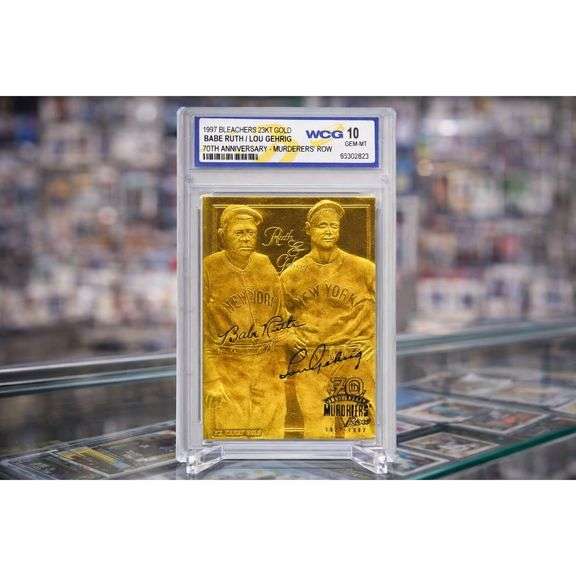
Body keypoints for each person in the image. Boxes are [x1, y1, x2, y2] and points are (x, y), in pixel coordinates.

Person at [280, 199, 376, 439]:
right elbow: (276, 315)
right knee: (317, 431)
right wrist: (289, 335)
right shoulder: (292, 274)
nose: (329, 231)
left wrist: (372, 344)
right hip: (312, 360)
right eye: (322, 225)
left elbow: (385, 309)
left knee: (358, 431)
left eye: (334, 225)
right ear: (308, 229)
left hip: (352, 356)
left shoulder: (363, 268)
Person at [203, 204, 286, 439]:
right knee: (230, 436)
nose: (246, 238)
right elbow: (198, 331)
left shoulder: (264, 264)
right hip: (229, 367)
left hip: (266, 367)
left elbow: (280, 316)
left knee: (271, 436)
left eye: (251, 232)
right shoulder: (209, 268)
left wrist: (282, 364)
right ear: (223, 235)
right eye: (239, 233)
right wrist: (211, 379)